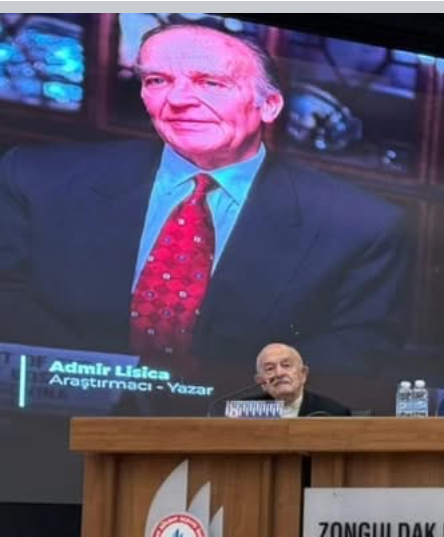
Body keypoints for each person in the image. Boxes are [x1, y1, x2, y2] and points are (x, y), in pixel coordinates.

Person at [0, 21, 409, 372]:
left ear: (269, 105)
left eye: (211, 83)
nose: (177, 100)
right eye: (157, 80)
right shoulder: (35, 179)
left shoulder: (361, 225)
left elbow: (355, 355)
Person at [245, 342, 350, 417]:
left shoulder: (332, 412)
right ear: (261, 382)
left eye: (286, 365)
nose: (279, 373)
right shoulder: (246, 411)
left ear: (303, 374)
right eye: (270, 369)